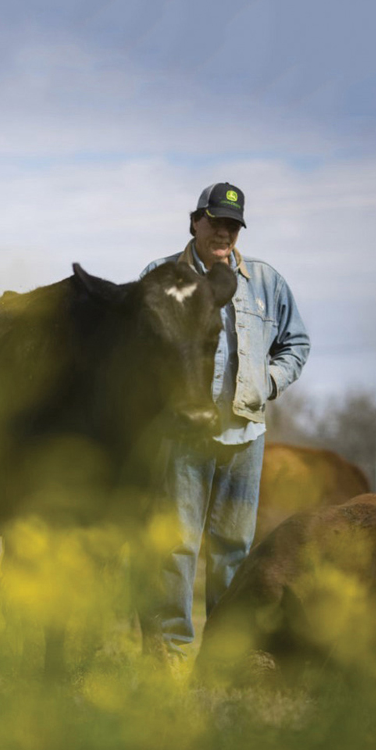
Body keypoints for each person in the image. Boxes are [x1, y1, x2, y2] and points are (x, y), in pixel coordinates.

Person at [140, 182, 310, 659]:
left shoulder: (266, 281)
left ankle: (224, 657)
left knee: (233, 548)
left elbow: (296, 344)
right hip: (180, 436)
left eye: (232, 225)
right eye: (216, 221)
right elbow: (138, 345)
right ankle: (170, 654)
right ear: (194, 221)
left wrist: (265, 383)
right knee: (176, 547)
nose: (224, 232)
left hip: (244, 435)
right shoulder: (160, 276)